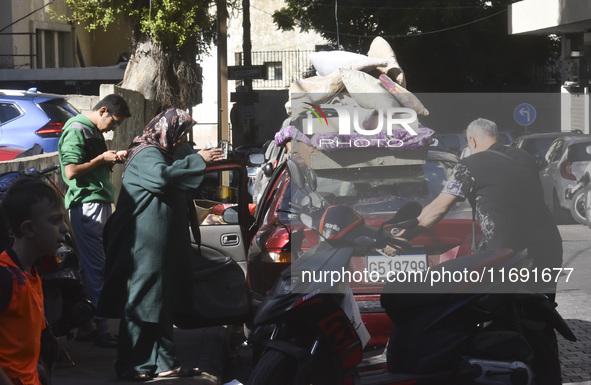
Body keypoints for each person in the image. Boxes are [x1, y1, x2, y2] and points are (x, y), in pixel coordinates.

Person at [398, 118, 563, 384]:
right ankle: (546, 376)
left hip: (508, 256)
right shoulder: (523, 157)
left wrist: (406, 233)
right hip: (547, 248)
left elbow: (440, 207)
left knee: (503, 319)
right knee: (540, 319)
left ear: (471, 141)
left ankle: (506, 374)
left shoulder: (470, 165)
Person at [97, 108, 223, 382]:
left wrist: (195, 157)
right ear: (167, 130)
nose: (180, 141)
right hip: (141, 245)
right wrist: (197, 160)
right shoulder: (145, 154)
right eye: (179, 135)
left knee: (160, 302)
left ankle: (166, 363)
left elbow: (178, 170)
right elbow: (164, 178)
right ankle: (133, 365)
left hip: (157, 246)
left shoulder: (163, 152)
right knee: (141, 302)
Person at [57, 94, 131, 348]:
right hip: (87, 205)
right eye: (114, 122)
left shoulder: (91, 129)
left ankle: (88, 327)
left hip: (96, 202)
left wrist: (110, 158)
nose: (114, 128)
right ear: (103, 111)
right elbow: (71, 171)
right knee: (97, 266)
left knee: (93, 266)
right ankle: (101, 328)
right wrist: (102, 159)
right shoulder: (77, 129)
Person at [0, 177, 69, 385]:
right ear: (28, 229)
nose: (65, 228)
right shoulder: (5, 277)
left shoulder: (33, 271)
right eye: (55, 220)